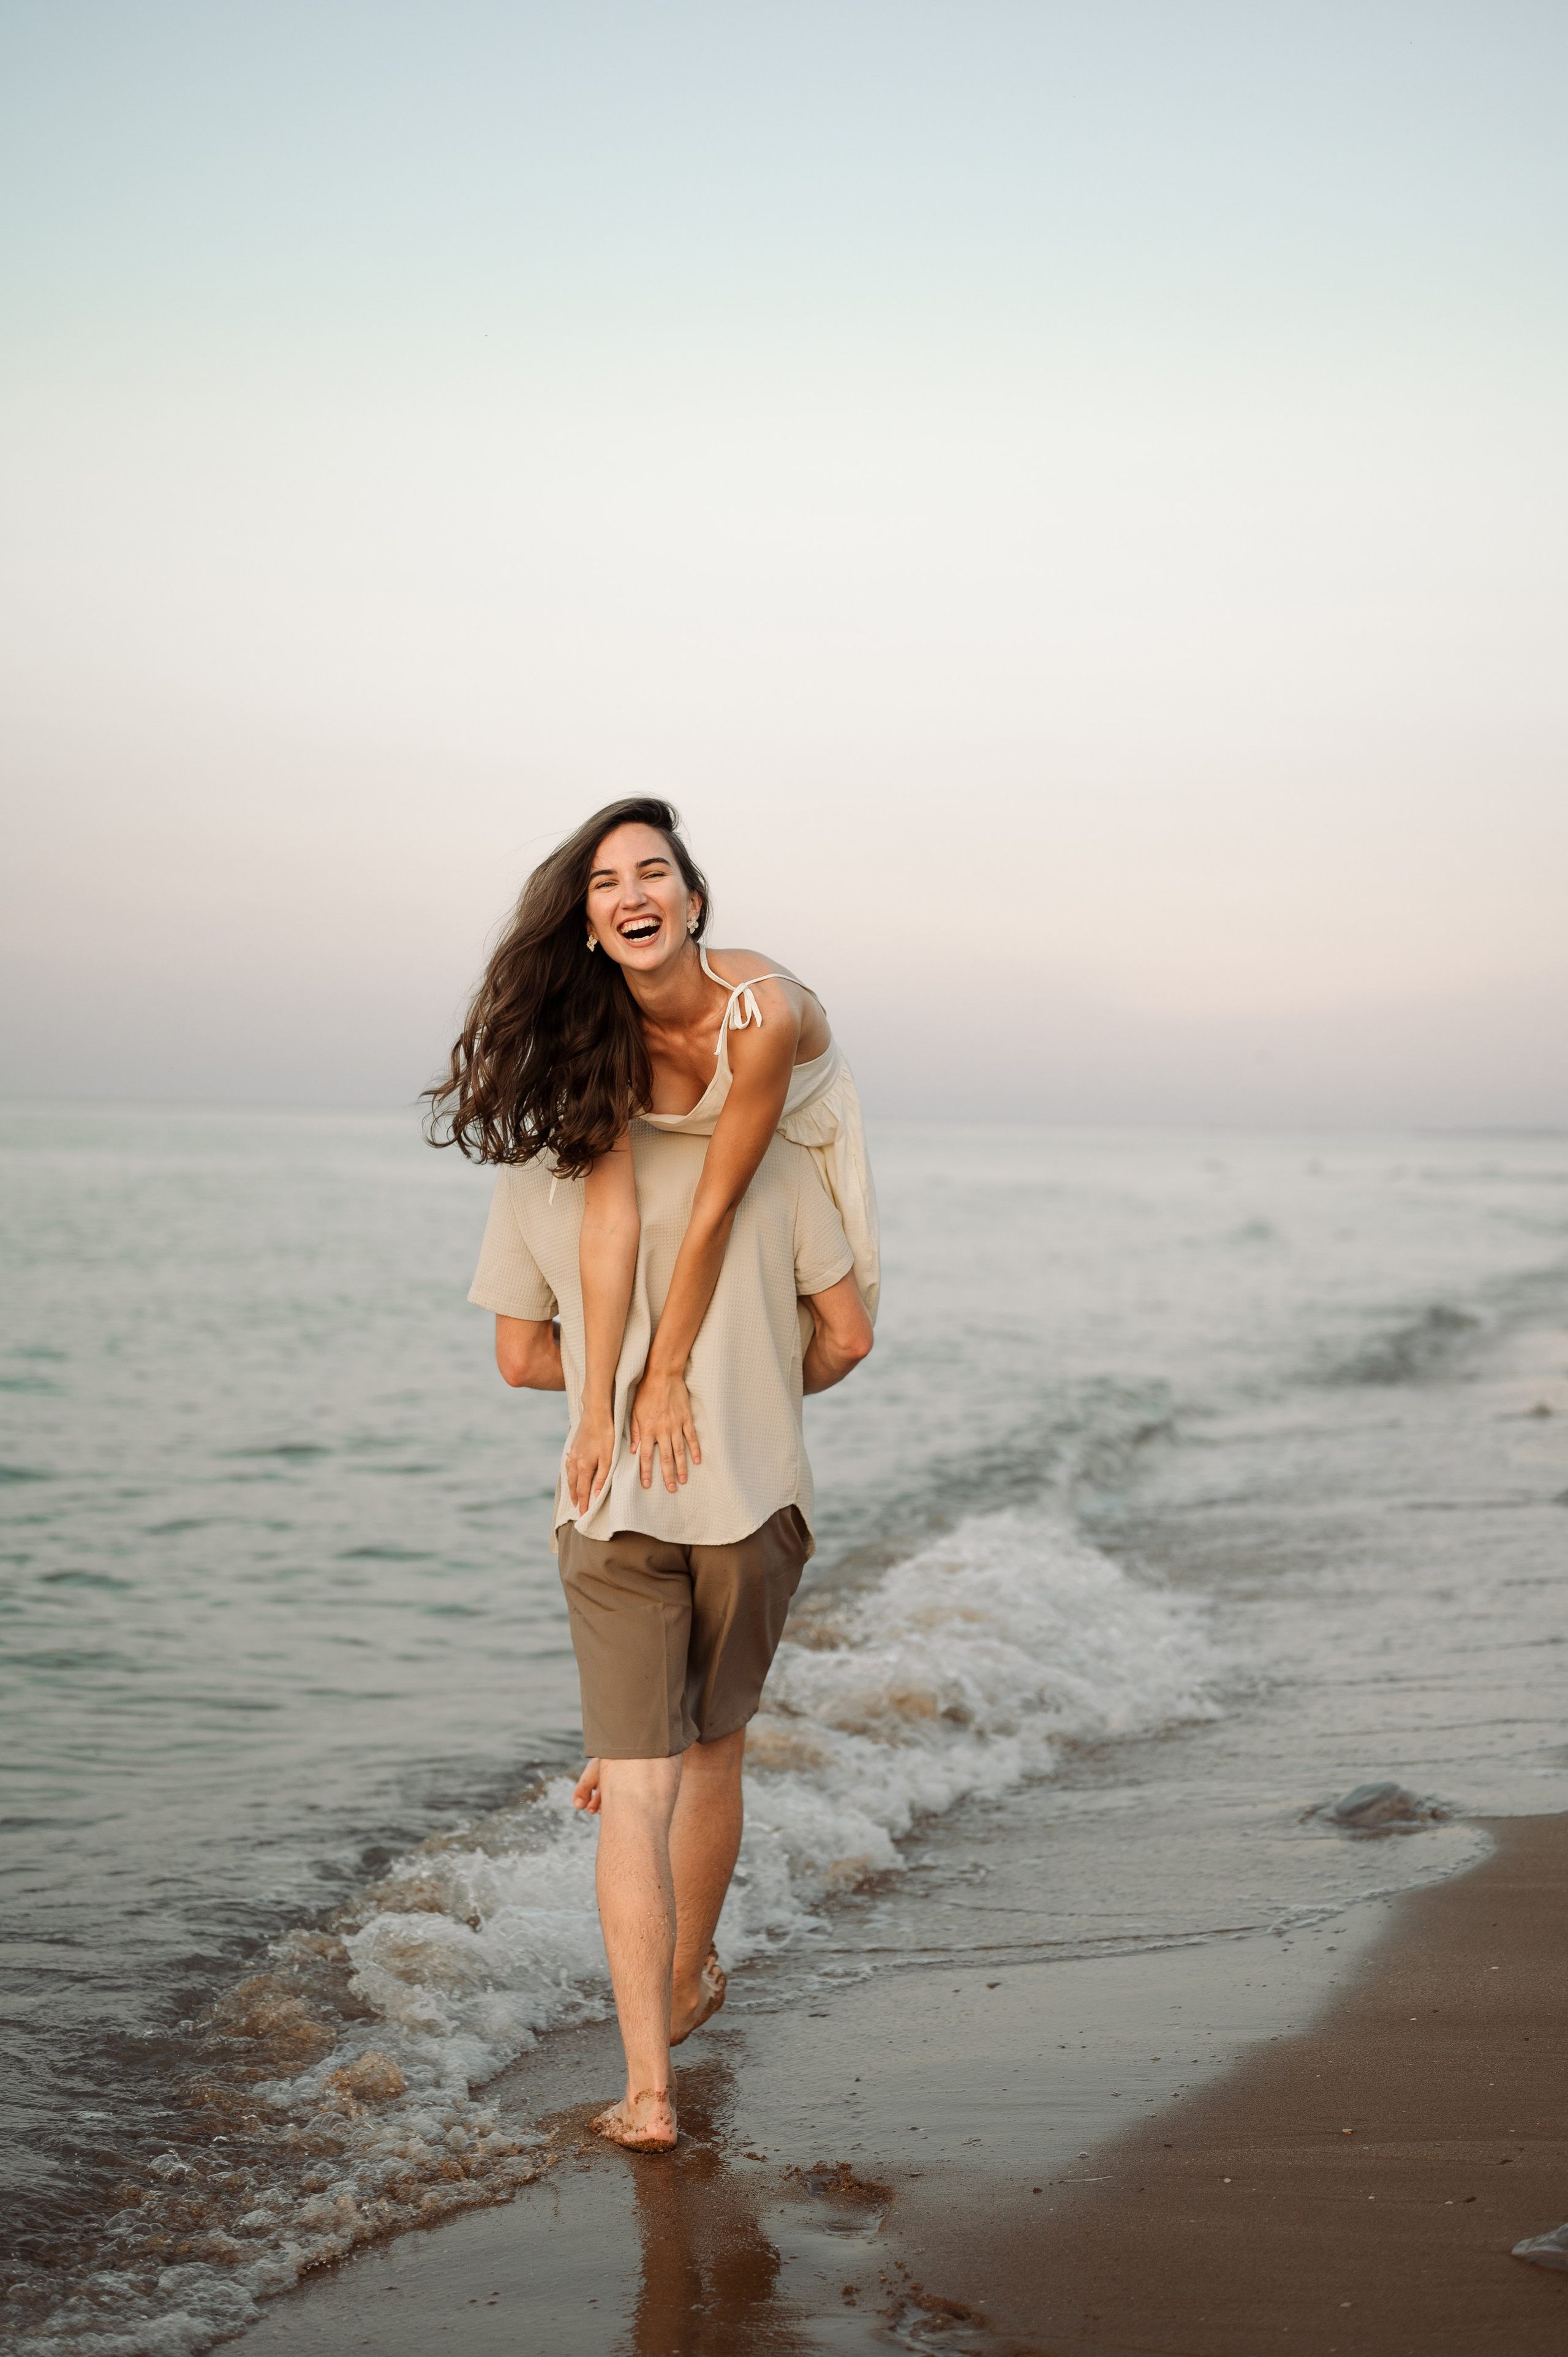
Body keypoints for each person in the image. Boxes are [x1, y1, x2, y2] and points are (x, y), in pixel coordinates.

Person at [426, 800, 878, 2152]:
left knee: (635, 1784)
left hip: (604, 1500)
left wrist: (626, 1388)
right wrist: (731, 1386)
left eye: (651, 872)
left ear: (690, 902)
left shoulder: (741, 1047)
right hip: (750, 1497)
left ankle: (645, 2091)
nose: (632, 892)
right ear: (596, 921)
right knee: (711, 1753)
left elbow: (519, 1361)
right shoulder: (791, 1183)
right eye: (608, 879)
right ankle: (689, 1976)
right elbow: (847, 1336)